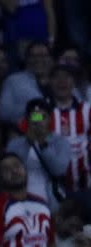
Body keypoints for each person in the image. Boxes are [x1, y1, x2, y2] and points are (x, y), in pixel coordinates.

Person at [5, 98, 70, 211]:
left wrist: (43, 145)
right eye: (34, 117)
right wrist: (28, 143)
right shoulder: (15, 144)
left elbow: (59, 170)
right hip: (20, 201)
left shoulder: (60, 142)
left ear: (50, 119)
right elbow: (9, 170)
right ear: (27, 119)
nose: (38, 122)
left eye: (42, 117)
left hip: (50, 202)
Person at [48, 65, 91, 197]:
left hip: (86, 187)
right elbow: (27, 129)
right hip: (51, 187)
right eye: (57, 77)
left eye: (66, 77)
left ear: (74, 82)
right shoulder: (41, 110)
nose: (62, 81)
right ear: (50, 82)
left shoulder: (88, 110)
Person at [0, 41, 52, 127]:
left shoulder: (60, 80)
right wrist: (38, 116)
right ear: (27, 59)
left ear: (50, 59)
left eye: (43, 56)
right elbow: (4, 114)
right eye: (33, 56)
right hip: (25, 135)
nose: (38, 60)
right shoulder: (13, 81)